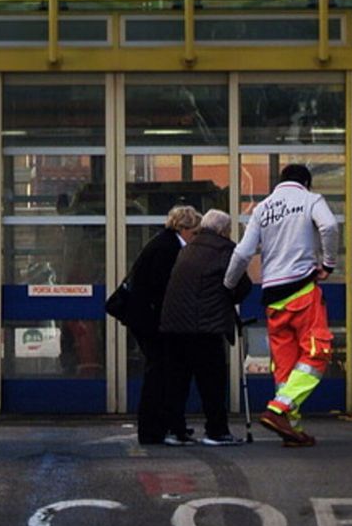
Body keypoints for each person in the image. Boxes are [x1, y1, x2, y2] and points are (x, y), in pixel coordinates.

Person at [224, 163, 339, 447]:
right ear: (307, 183)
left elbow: (242, 253)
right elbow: (330, 226)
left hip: (273, 296)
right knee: (316, 353)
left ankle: (292, 430)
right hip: (302, 290)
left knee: (286, 368)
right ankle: (279, 410)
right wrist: (328, 264)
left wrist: (227, 286)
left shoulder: (262, 209)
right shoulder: (310, 200)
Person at [160, 209, 252, 446]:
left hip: (175, 325)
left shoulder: (188, 248)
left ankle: (176, 430)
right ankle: (216, 430)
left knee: (178, 380)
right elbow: (242, 285)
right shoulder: (224, 250)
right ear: (223, 230)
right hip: (205, 326)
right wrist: (229, 297)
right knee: (212, 381)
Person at [124, 205, 202, 444]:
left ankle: (164, 425)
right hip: (153, 321)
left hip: (149, 318)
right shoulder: (168, 249)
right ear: (183, 228)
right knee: (160, 374)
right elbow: (160, 289)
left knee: (161, 373)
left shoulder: (164, 243)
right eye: (195, 232)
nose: (195, 238)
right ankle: (154, 429)